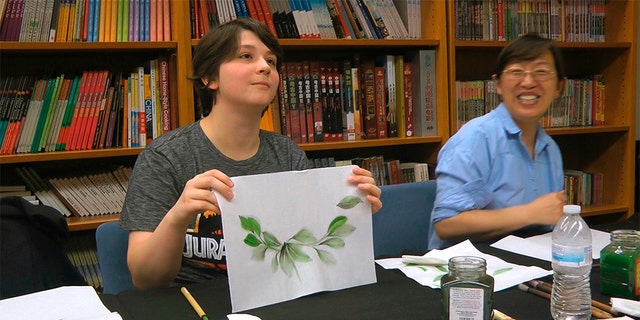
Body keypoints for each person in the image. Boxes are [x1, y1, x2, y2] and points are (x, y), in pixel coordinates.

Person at [119, 18, 382, 290]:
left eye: (271, 61)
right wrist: (178, 215)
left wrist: (353, 212)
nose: (264, 67)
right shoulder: (165, 157)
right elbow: (145, 279)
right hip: (194, 302)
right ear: (209, 77)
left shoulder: (287, 155)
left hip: (274, 296)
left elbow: (306, 253)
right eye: (246, 56)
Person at [428, 33, 567, 250]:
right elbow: (447, 223)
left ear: (559, 86)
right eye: (516, 72)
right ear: (498, 85)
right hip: (471, 269)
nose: (529, 82)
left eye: (541, 72)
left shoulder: (550, 149)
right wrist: (529, 213)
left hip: (528, 263)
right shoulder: (476, 139)